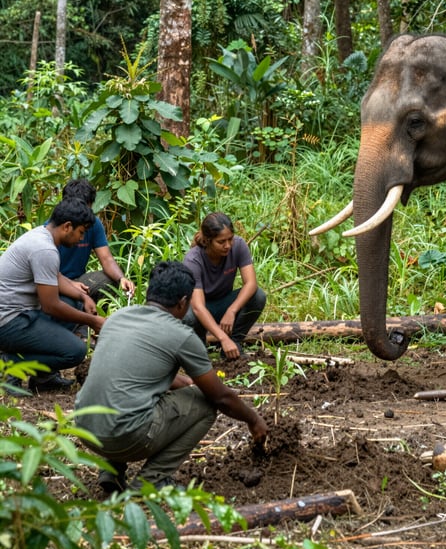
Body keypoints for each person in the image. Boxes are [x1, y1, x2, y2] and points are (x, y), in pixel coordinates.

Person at [75, 260, 268, 493]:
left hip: (85, 426)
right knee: (205, 405)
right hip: (125, 436)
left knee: (123, 396)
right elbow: (221, 398)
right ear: (183, 302)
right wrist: (253, 419)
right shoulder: (181, 335)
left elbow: (130, 372)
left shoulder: (119, 317)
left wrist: (181, 383)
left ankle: (111, 471)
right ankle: (151, 481)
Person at [0, 199, 106, 393]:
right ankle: (10, 364)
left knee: (72, 303)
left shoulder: (41, 236)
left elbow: (54, 276)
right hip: (8, 322)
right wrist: (92, 321)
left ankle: (43, 378)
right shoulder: (45, 249)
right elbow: (51, 306)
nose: (81, 239)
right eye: (81, 232)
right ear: (67, 227)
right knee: (75, 351)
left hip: (20, 313)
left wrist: (84, 298)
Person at [182, 212, 266, 359]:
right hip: (200, 310)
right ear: (208, 241)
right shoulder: (193, 260)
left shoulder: (238, 245)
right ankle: (200, 350)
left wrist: (232, 311)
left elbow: (251, 283)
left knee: (258, 296)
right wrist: (222, 337)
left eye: (230, 239)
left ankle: (234, 343)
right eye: (221, 242)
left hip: (223, 304)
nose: (228, 245)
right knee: (188, 316)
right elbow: (198, 307)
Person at [56, 178, 135, 308]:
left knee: (109, 280)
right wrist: (69, 286)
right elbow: (45, 276)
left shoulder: (93, 224)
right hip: (54, 283)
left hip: (79, 280)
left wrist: (122, 279)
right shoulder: (54, 229)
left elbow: (106, 258)